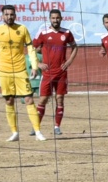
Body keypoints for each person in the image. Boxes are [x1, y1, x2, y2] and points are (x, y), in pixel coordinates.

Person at [0, 3, 44, 142]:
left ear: (15, 15)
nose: (9, 17)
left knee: (29, 99)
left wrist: (34, 66)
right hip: (4, 71)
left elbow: (31, 49)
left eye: (11, 14)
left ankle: (37, 131)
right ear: (2, 16)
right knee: (9, 100)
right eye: (6, 14)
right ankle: (14, 132)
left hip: (20, 71)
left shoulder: (22, 29)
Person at [32, 8, 79, 137]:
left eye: (57, 18)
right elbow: (32, 48)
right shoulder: (43, 33)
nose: (55, 20)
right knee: (43, 99)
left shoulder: (67, 33)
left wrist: (69, 62)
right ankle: (36, 127)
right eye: (53, 18)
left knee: (60, 99)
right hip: (47, 73)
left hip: (61, 72)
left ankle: (57, 127)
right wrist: (38, 63)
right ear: (49, 19)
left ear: (61, 18)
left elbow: (75, 47)